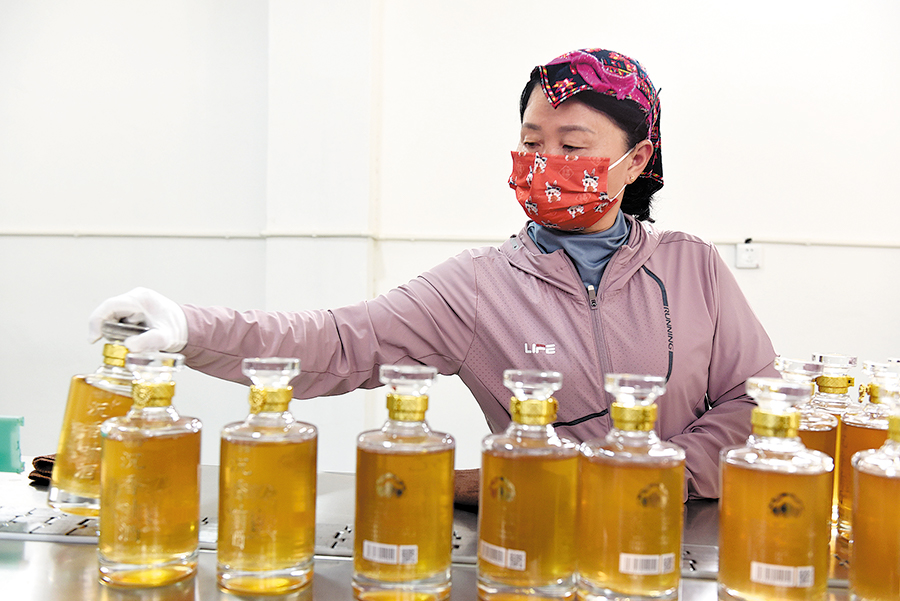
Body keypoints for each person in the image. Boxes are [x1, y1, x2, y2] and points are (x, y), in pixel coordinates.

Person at [89, 48, 778, 504]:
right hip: (539, 540)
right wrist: (188, 326)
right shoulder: (480, 287)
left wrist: (640, 476)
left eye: (572, 146)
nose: (545, 163)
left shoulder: (691, 266)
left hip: (689, 536)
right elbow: (335, 341)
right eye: (531, 143)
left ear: (637, 160)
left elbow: (753, 404)